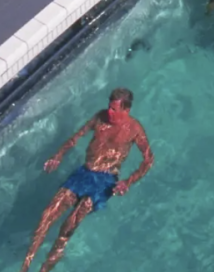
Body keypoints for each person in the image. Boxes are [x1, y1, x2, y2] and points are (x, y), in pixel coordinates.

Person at [19, 89, 153, 272]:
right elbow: (76, 137)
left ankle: (44, 269)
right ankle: (25, 266)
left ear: (126, 110)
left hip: (105, 180)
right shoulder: (100, 117)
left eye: (114, 109)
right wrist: (58, 155)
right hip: (84, 173)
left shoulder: (134, 130)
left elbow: (148, 159)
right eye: (109, 107)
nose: (109, 112)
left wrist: (127, 182)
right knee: (47, 215)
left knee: (69, 225)